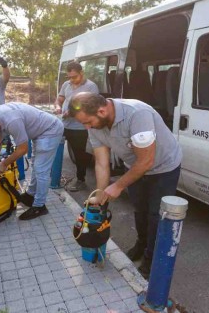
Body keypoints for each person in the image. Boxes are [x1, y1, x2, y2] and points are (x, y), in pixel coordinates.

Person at [68, 92, 182, 279]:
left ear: (102, 111)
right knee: (139, 209)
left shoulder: (137, 114)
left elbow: (146, 161)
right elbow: (102, 163)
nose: (87, 127)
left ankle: (150, 259)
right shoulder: (94, 123)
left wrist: (118, 186)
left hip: (163, 167)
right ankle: (142, 243)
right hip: (134, 167)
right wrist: (101, 193)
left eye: (88, 122)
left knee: (156, 214)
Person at [0, 102, 64, 220]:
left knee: (41, 169)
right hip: (39, 131)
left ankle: (39, 206)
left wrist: (4, 164)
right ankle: (30, 195)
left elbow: (23, 149)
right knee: (36, 165)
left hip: (50, 130)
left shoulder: (11, 120)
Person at [54, 61, 99, 192]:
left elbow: (92, 107)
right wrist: (57, 106)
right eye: (69, 77)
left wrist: (72, 113)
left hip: (80, 127)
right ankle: (54, 174)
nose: (72, 80)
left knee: (80, 154)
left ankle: (81, 180)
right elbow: (60, 98)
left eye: (75, 76)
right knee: (53, 146)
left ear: (81, 73)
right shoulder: (66, 84)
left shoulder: (91, 87)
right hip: (64, 123)